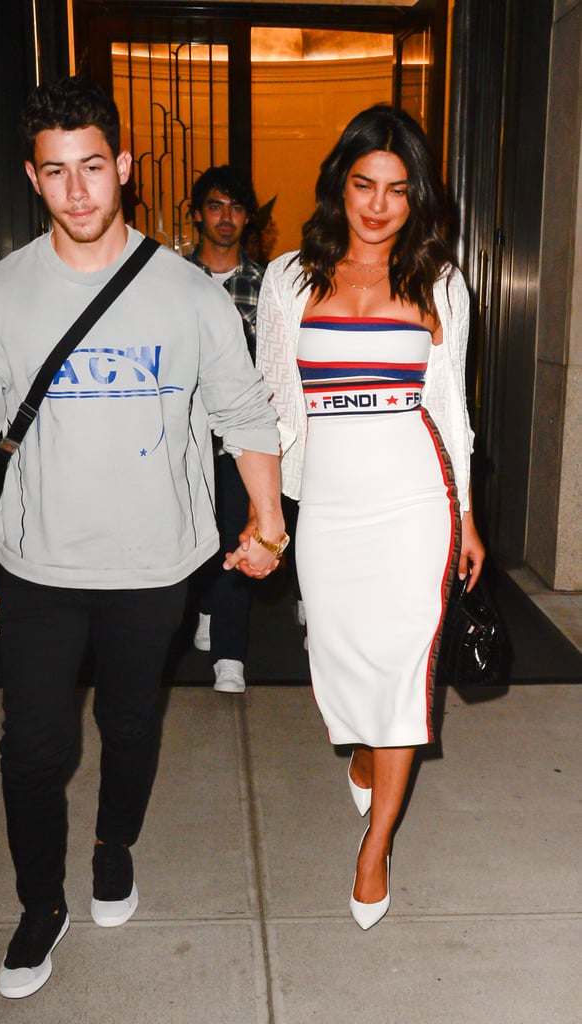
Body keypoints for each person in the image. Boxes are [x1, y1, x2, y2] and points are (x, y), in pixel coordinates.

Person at [0, 76, 286, 999]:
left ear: (123, 165)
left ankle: (112, 845)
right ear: (32, 178)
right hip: (38, 566)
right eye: (57, 172)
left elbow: (243, 413)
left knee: (131, 724)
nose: (78, 190)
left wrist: (268, 517)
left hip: (156, 563)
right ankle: (39, 903)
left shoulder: (186, 294)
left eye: (94, 166)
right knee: (33, 748)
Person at [255, 105, 485, 930]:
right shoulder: (287, 279)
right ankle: (360, 746)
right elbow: (274, 411)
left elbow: (451, 410)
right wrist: (265, 515)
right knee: (336, 653)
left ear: (416, 197)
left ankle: (375, 845)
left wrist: (466, 516)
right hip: (331, 505)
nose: (379, 206)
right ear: (338, 186)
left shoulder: (439, 283)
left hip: (416, 500)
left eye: (396, 190)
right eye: (363, 186)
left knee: (402, 674)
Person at [185, 165, 266, 693]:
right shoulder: (171, 279)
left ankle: (230, 657)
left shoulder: (265, 286)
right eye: (216, 206)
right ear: (197, 214)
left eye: (236, 208)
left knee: (240, 532)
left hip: (239, 439)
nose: (226, 217)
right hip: (182, 438)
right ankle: (207, 609)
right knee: (191, 535)